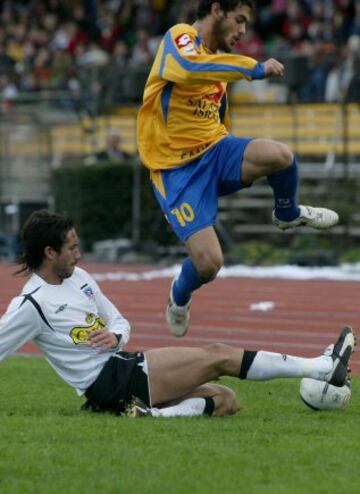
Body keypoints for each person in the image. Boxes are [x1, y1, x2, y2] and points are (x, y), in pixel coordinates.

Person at [0, 210, 355, 418]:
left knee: (225, 401)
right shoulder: (31, 304)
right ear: (49, 252)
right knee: (217, 355)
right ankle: (322, 367)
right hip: (110, 381)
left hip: (124, 366)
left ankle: (146, 415)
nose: (78, 254)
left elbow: (122, 322)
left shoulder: (79, 277)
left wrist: (116, 336)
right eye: (72, 248)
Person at [137, 0, 339, 338]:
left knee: (281, 155)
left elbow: (218, 113)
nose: (243, 32)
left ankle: (287, 214)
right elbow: (188, 67)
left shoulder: (218, 63)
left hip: (216, 151)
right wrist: (253, 68)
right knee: (209, 264)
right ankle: (179, 296)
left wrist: (230, 150)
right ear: (217, 10)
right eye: (240, 20)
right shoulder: (181, 36)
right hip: (176, 171)